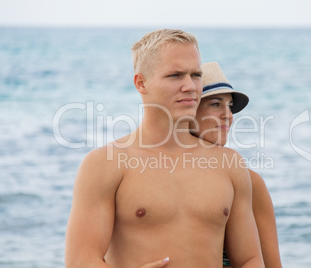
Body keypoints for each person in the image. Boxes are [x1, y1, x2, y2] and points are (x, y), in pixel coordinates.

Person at [65, 29, 264, 268]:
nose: (190, 86)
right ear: (141, 83)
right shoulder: (105, 163)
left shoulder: (230, 164)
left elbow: (250, 259)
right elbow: (80, 260)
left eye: (196, 74)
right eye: (175, 75)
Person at [190, 62, 282, 268]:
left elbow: (271, 264)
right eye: (215, 104)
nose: (228, 116)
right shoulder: (157, 174)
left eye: (229, 107)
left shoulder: (251, 182)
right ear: (188, 109)